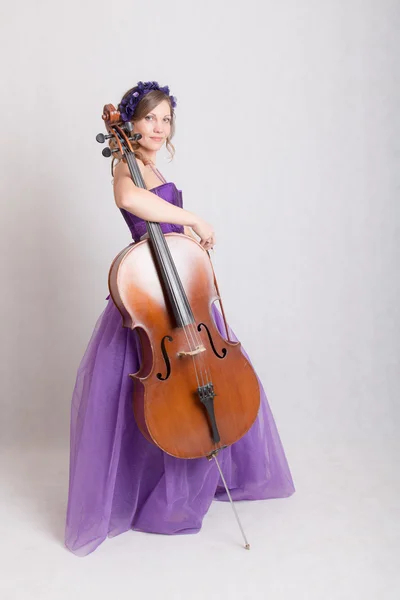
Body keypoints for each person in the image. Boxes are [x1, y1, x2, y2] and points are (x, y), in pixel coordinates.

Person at [65, 81, 295, 557]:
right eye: (150, 117)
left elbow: (164, 220)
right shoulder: (123, 163)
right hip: (149, 296)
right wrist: (192, 217)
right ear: (129, 124)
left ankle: (204, 472)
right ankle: (151, 493)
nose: (158, 126)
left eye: (166, 119)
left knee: (213, 376)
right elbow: (131, 203)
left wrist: (190, 235)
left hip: (183, 297)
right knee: (147, 404)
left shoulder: (152, 165)